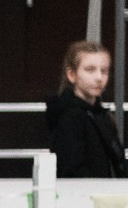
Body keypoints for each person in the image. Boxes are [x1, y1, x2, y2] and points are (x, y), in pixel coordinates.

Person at [44, 40, 127, 178]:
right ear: (72, 75)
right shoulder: (69, 117)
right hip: (84, 195)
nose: (99, 78)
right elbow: (72, 170)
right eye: (90, 70)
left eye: (104, 71)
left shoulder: (102, 115)